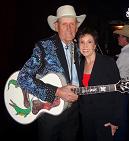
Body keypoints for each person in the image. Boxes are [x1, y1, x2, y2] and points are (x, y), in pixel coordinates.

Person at [17, 5, 86, 141]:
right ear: (56, 26)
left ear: (77, 27)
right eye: (64, 24)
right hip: (50, 113)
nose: (69, 28)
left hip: (73, 113)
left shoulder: (80, 49)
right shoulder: (44, 46)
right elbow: (23, 77)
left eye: (72, 24)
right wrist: (57, 91)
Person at [77, 27, 124, 141]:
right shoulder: (79, 64)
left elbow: (118, 92)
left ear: (95, 45)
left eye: (89, 42)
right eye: (82, 42)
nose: (85, 46)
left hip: (104, 118)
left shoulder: (108, 62)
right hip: (86, 117)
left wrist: (115, 121)